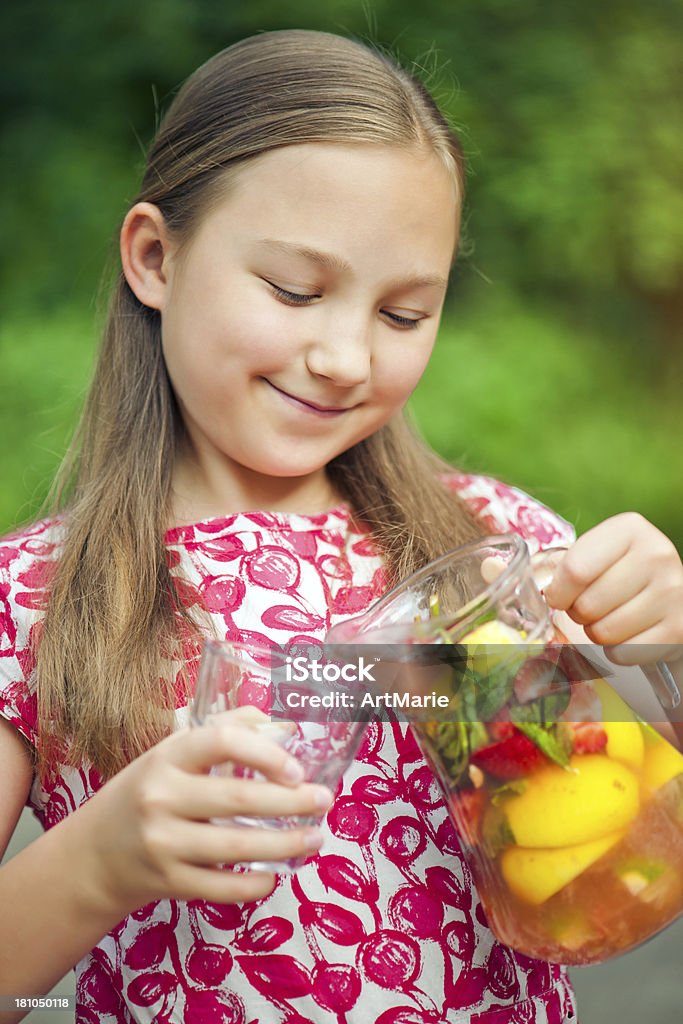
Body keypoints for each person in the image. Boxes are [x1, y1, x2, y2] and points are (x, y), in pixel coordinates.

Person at [0, 28, 681, 1024]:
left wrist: (658, 648)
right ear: (155, 258)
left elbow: (623, 837)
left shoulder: (489, 552)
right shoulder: (36, 603)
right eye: (293, 290)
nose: (344, 357)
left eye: (403, 314)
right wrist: (101, 861)